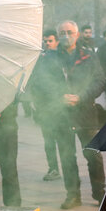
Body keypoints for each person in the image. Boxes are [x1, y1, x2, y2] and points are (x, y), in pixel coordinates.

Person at [29, 20, 106, 209]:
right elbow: (41, 84)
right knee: (67, 156)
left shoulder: (88, 56)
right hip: (61, 115)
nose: (66, 35)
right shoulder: (49, 59)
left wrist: (81, 97)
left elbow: (99, 81)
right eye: (62, 32)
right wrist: (59, 97)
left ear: (77, 34)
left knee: (93, 155)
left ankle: (100, 193)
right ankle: (72, 195)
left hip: (85, 113)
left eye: (69, 32)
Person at [36, 29, 62, 181]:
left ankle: (65, 168)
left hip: (60, 107)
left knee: (63, 142)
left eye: (50, 41)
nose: (47, 43)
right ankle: (53, 168)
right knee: (49, 141)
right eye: (45, 41)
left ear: (56, 42)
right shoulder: (41, 58)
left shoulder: (61, 57)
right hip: (44, 107)